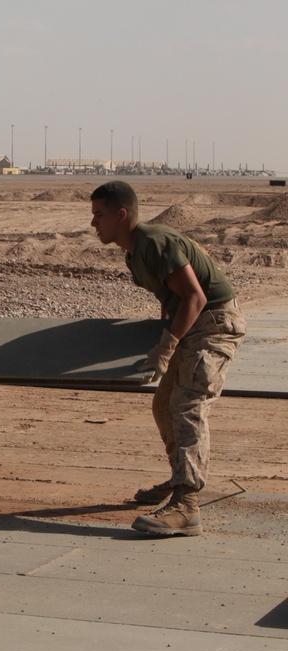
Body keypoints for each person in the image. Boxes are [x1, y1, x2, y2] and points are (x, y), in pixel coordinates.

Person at [89, 180, 246, 536]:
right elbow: (169, 296)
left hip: (215, 323)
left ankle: (187, 505)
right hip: (195, 325)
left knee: (187, 404)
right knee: (163, 406)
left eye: (99, 215)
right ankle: (179, 480)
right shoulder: (134, 252)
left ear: (122, 215)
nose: (94, 223)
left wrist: (167, 346)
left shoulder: (155, 242)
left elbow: (195, 297)